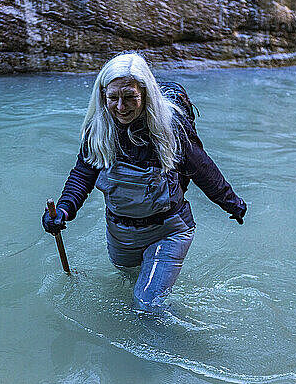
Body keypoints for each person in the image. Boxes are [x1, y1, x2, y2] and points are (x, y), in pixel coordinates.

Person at [42, 52, 246, 313]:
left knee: (147, 304)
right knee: (129, 280)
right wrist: (63, 210)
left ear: (146, 94)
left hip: (169, 228)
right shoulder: (98, 129)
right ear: (103, 95)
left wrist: (232, 203)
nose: (120, 107)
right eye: (113, 98)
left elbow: (204, 170)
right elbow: (83, 174)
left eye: (129, 97)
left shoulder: (170, 128)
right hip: (120, 232)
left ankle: (176, 348)